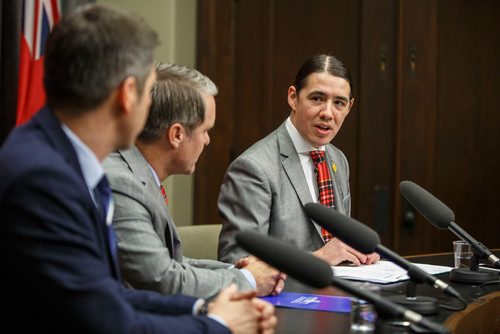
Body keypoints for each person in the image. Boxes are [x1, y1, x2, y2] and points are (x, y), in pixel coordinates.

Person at [0, 4, 276, 333]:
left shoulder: (61, 159)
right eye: (149, 93)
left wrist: (203, 306)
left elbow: (108, 294)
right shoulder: (43, 179)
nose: (151, 109)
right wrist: (218, 325)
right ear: (128, 94)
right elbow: (108, 323)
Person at [103, 63, 285, 300]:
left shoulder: (136, 172)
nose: (207, 141)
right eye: (205, 130)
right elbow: (162, 279)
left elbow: (170, 261)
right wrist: (249, 280)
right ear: (177, 135)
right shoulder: (121, 183)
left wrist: (238, 272)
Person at [217, 54, 380, 266]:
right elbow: (236, 262)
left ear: (349, 107)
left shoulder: (338, 159)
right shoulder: (253, 168)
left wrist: (354, 251)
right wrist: (318, 258)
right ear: (293, 97)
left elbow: (335, 246)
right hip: (278, 297)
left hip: (337, 292)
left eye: (339, 103)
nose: (328, 113)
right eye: (317, 99)